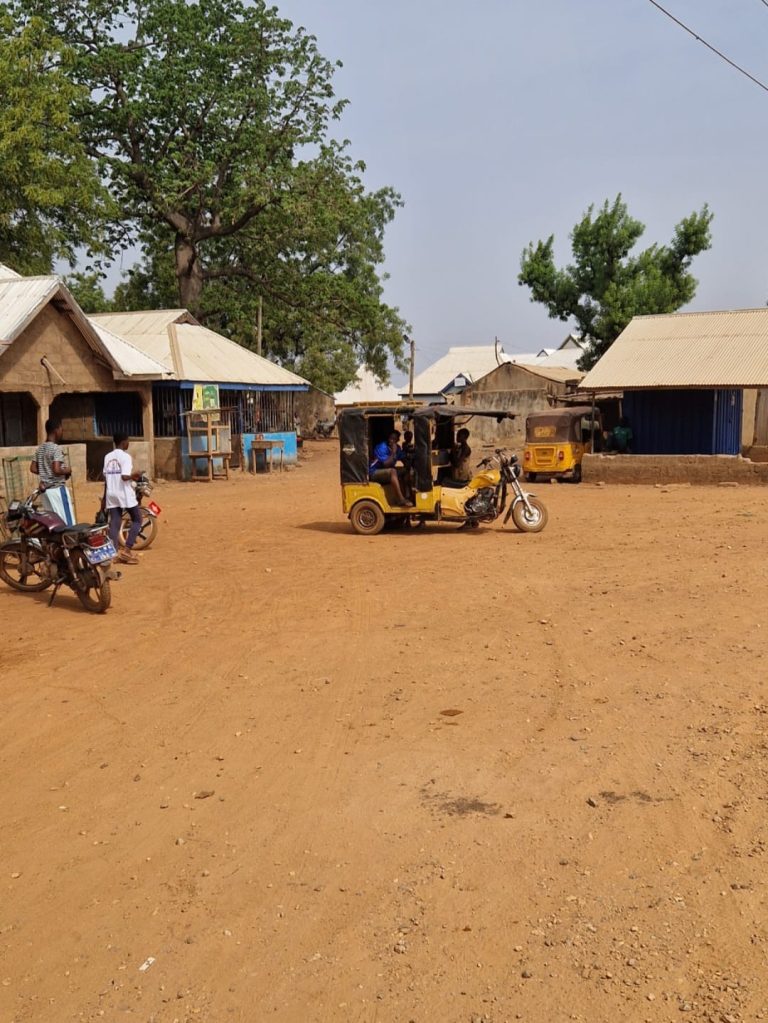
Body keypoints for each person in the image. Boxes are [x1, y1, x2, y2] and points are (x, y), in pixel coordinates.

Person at [103, 433, 143, 565]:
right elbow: (125, 477)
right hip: (123, 493)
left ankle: (113, 553)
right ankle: (127, 549)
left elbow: (106, 478)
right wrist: (135, 475)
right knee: (137, 519)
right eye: (128, 441)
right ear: (123, 442)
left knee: (115, 521)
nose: (128, 443)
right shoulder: (125, 457)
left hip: (111, 493)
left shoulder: (107, 456)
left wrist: (104, 498)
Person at [30, 418, 75, 525]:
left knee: (54, 522)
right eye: (61, 429)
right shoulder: (56, 449)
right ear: (56, 430)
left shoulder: (40, 448)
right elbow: (56, 470)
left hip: (46, 492)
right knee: (67, 522)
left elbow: (33, 468)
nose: (62, 432)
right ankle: (69, 541)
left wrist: (45, 472)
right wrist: (68, 470)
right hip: (57, 490)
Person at [369, 430, 412, 506]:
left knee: (405, 470)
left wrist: (408, 461)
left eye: (394, 439)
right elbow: (386, 464)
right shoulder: (381, 447)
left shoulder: (397, 448)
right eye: (390, 438)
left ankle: (407, 496)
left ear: (397, 440)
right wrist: (393, 453)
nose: (391, 440)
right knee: (393, 471)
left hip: (386, 472)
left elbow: (404, 460)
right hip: (374, 472)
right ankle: (400, 499)